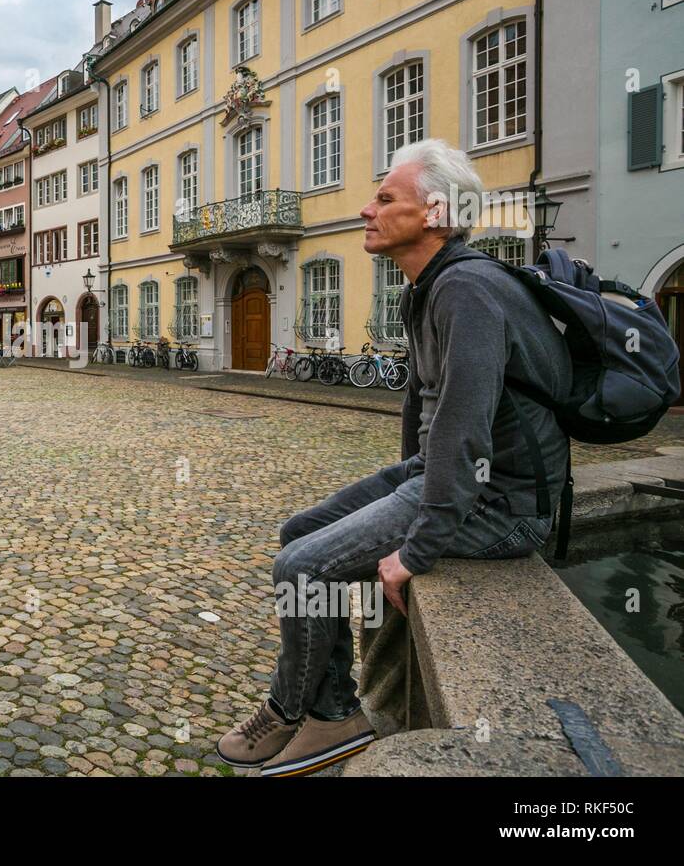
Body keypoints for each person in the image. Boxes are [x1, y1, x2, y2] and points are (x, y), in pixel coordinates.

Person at [217, 139, 571, 777]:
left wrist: (416, 549)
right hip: (441, 475)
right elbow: (422, 409)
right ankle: (331, 708)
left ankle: (307, 714)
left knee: (302, 568)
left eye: (385, 198)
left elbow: (464, 432)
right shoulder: (428, 285)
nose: (365, 208)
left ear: (434, 213)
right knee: (299, 531)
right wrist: (401, 489)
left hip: (501, 504)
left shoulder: (467, 288)